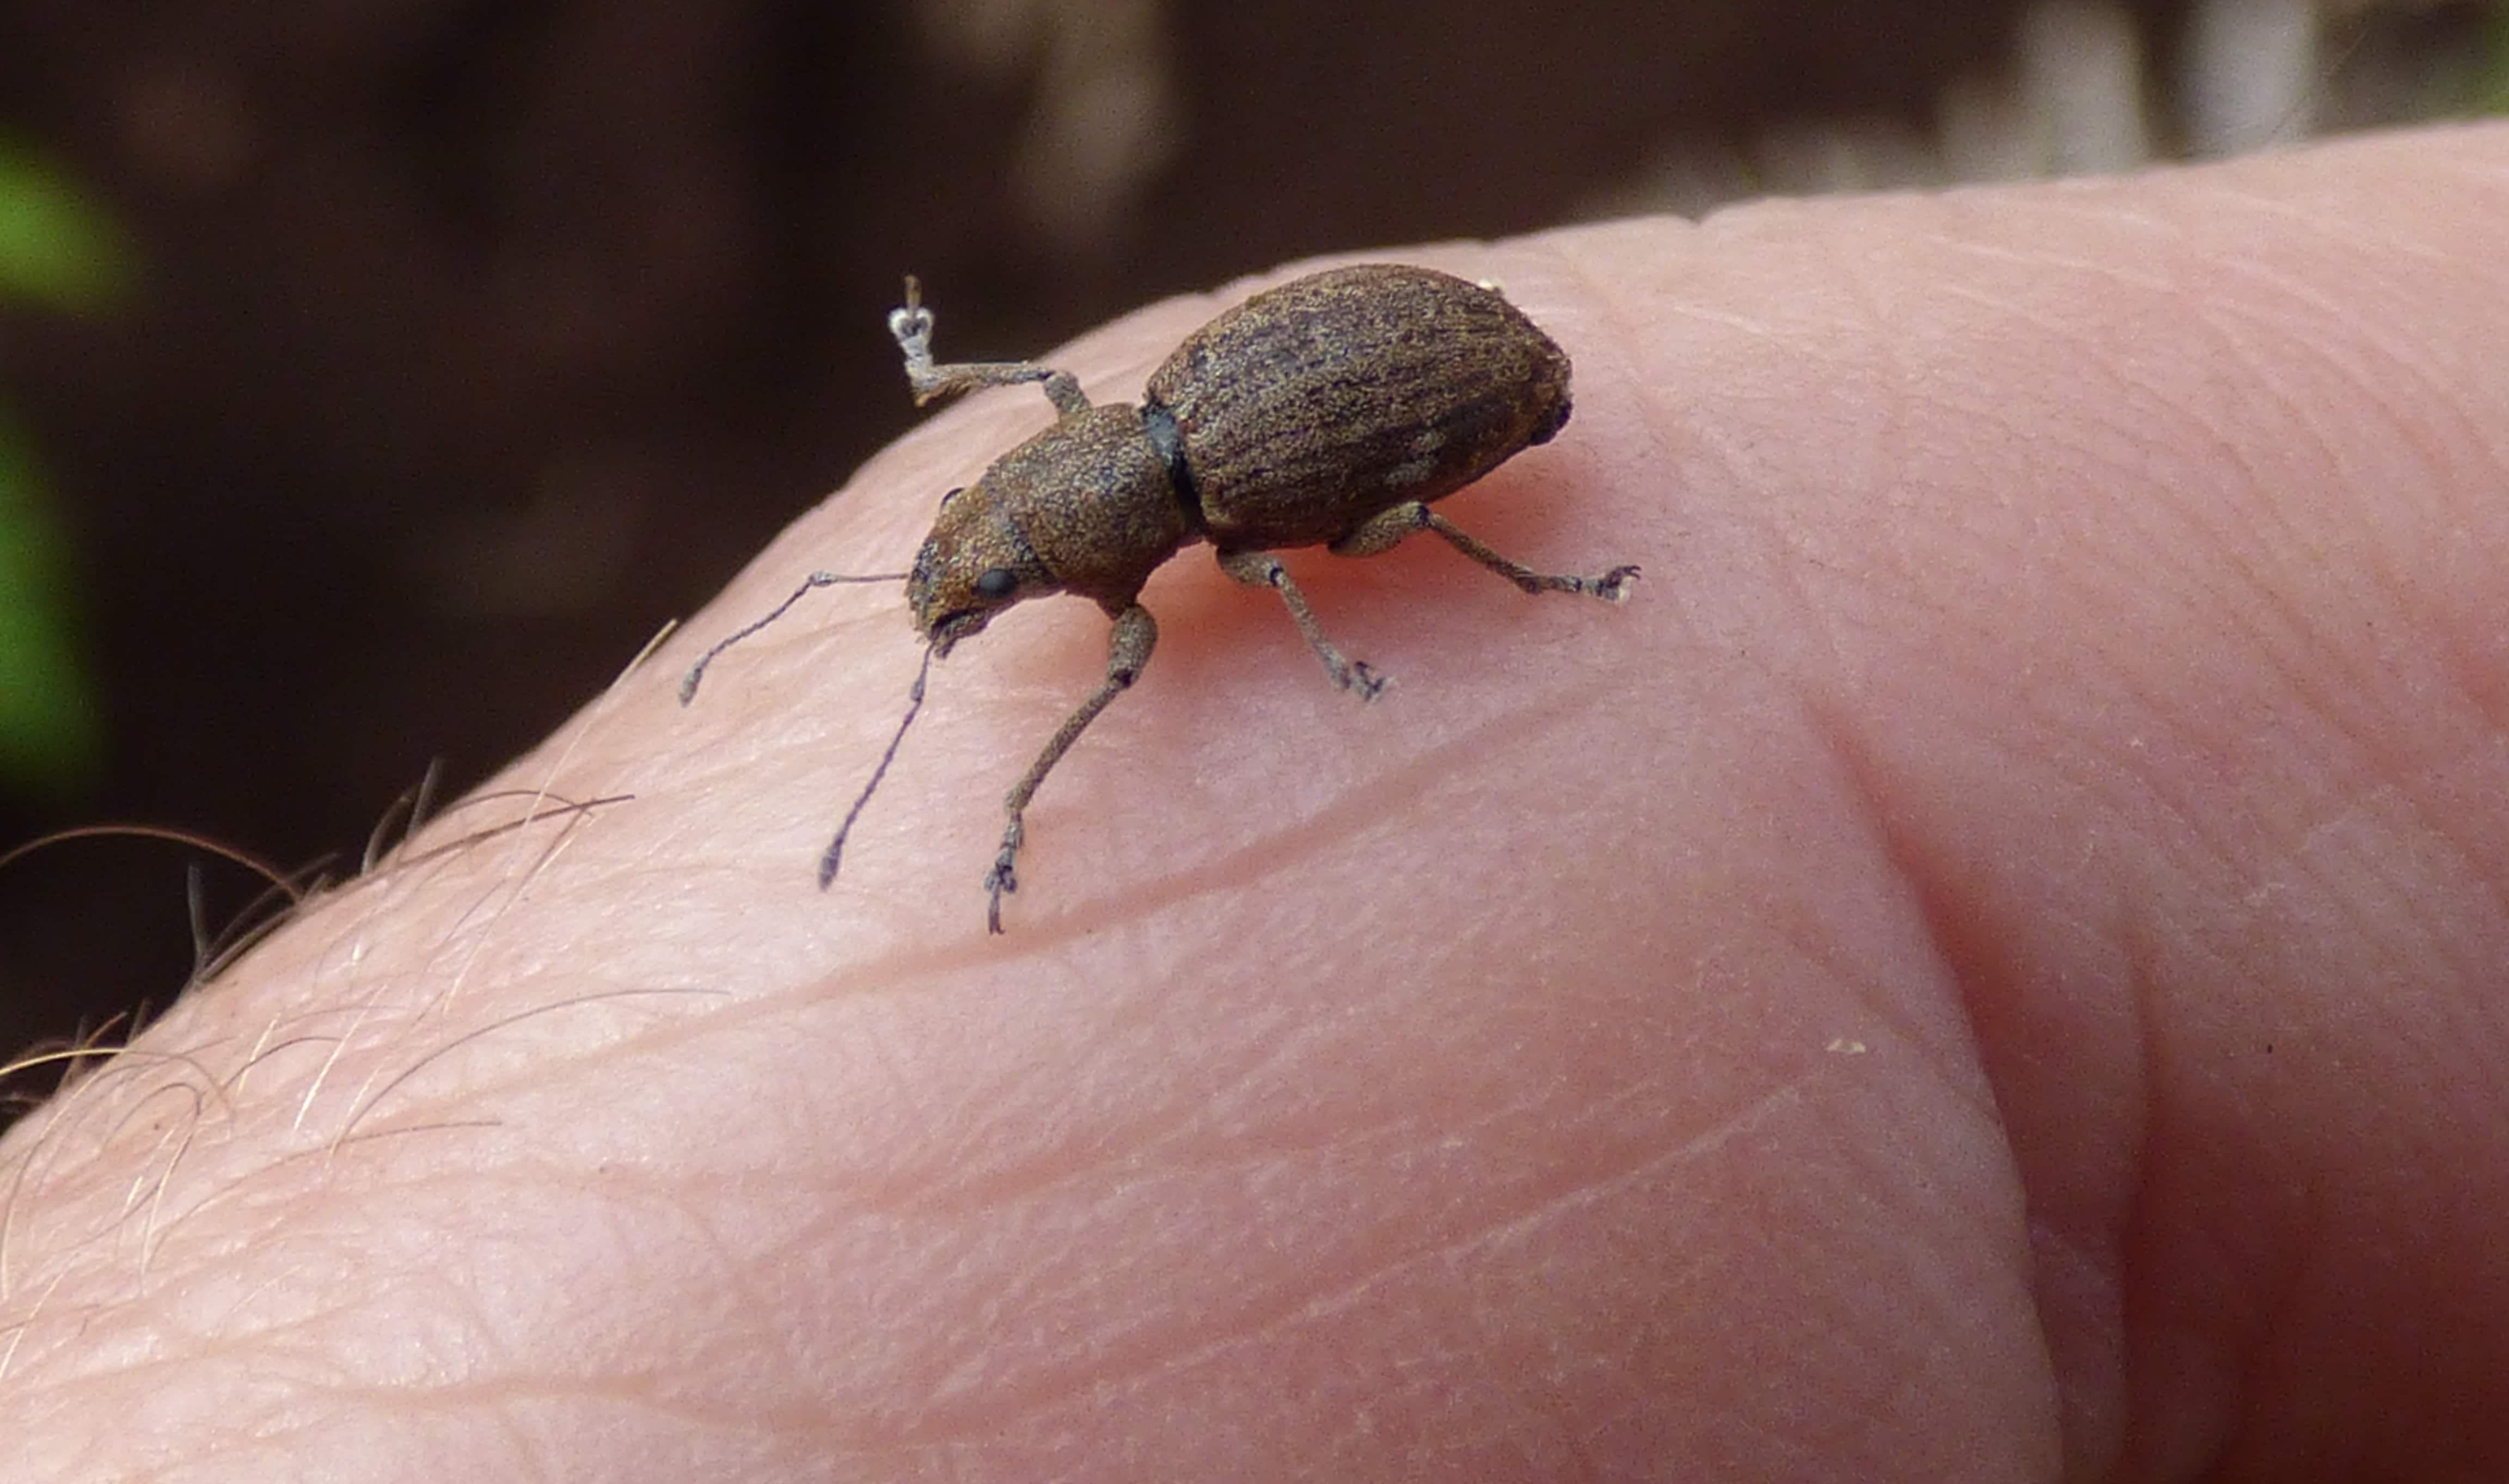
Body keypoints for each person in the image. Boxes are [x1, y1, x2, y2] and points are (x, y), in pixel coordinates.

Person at [6, 127, 2507, 1479]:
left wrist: (1083, 775)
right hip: (1287, 389)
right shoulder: (1105, 460)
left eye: (1006, 567)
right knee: (1277, 558)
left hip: (1438, 395)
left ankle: (1547, 594)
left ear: (1089, 526)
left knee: (1370, 553)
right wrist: (960, 509)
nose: (998, 588)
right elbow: (1035, 475)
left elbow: (1188, 593)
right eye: (1001, 562)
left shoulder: (1203, 533)